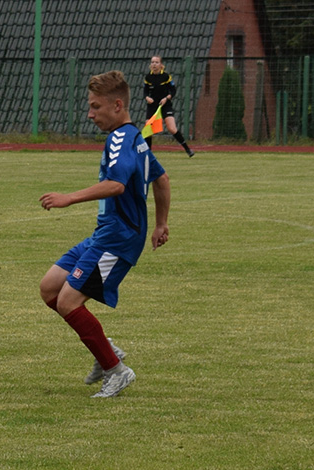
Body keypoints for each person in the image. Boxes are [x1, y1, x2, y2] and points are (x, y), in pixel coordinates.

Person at [39, 70, 171, 398]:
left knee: (69, 302)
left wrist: (69, 198)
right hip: (106, 233)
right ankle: (105, 351)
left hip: (119, 238)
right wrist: (160, 224)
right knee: (49, 288)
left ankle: (116, 370)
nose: (90, 113)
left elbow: (117, 184)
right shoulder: (135, 137)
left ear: (117, 105)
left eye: (95, 107)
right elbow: (162, 178)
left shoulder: (120, 139)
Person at [143, 55, 194, 157]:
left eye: (156, 62)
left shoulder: (166, 76)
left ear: (161, 65)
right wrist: (147, 98)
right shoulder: (148, 77)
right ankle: (148, 154)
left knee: (172, 128)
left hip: (165, 105)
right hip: (153, 106)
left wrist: (167, 98)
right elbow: (145, 91)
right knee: (148, 130)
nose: (154, 64)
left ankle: (187, 149)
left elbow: (173, 90)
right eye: (152, 62)